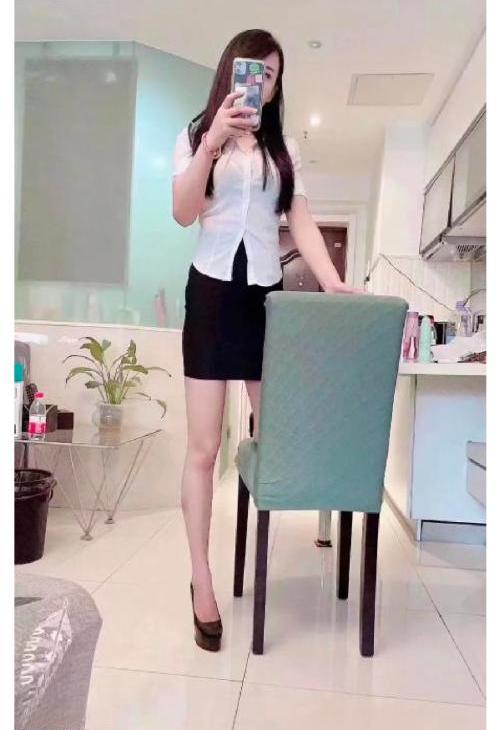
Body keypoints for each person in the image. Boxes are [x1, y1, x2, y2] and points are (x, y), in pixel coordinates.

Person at [172, 28, 361, 652]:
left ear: (276, 87)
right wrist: (213, 143)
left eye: (272, 75)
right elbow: (183, 211)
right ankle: (201, 579)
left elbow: (299, 219)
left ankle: (257, 551)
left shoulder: (284, 148)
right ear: (230, 71)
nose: (261, 83)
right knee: (203, 449)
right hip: (210, 293)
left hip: (264, 300)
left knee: (274, 436)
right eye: (252, 70)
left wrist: (331, 280)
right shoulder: (196, 133)